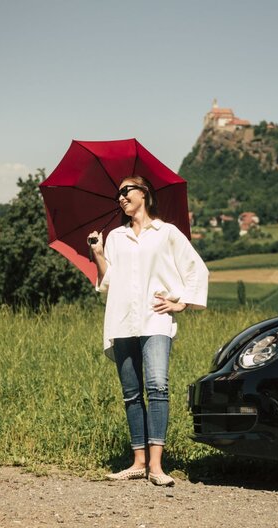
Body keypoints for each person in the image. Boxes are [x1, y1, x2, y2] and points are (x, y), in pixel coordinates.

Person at [87, 175, 208, 487]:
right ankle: (138, 462)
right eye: (118, 194)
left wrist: (181, 303)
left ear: (145, 193)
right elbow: (108, 281)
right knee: (131, 393)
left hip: (155, 319)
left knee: (157, 387)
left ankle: (156, 466)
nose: (121, 197)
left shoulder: (166, 233)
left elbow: (196, 268)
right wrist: (99, 253)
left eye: (127, 190)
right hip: (123, 319)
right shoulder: (114, 236)